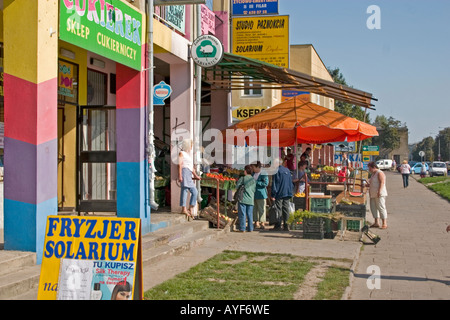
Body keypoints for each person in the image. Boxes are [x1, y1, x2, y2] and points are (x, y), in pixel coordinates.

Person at [178, 139, 201, 220]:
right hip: (184, 172)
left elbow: (192, 168)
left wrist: (196, 175)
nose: (191, 146)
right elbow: (180, 165)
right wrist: (180, 175)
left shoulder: (188, 155)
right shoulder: (182, 153)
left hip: (189, 172)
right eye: (191, 145)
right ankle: (183, 208)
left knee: (194, 191)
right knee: (184, 191)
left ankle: (190, 207)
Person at [270, 159, 294, 231]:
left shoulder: (276, 171)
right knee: (286, 209)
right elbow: (291, 182)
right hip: (287, 192)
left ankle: (278, 225)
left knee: (279, 209)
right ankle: (286, 225)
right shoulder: (287, 170)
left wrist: (273, 194)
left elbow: (275, 184)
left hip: (279, 193)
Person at [367, 162, 388, 229]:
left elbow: (382, 182)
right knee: (373, 208)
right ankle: (376, 222)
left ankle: (384, 223)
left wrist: (379, 191)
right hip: (373, 193)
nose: (369, 169)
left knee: (381, 207)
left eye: (370, 168)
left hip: (379, 193)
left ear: (373, 167)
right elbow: (371, 183)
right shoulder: (373, 174)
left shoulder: (380, 173)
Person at [235, 165, 256, 232]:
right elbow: (254, 189)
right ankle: (250, 228)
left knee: (242, 214)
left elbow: (237, 186)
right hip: (251, 199)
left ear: (245, 171)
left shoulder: (243, 178)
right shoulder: (253, 180)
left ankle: (242, 228)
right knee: (250, 214)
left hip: (243, 198)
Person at [251, 161, 269, 230]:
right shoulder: (253, 174)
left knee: (261, 209)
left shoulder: (264, 174)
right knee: (254, 209)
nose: (253, 169)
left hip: (261, 194)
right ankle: (256, 221)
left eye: (253, 167)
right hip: (253, 194)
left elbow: (265, 183)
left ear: (258, 167)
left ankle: (262, 222)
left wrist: (256, 182)